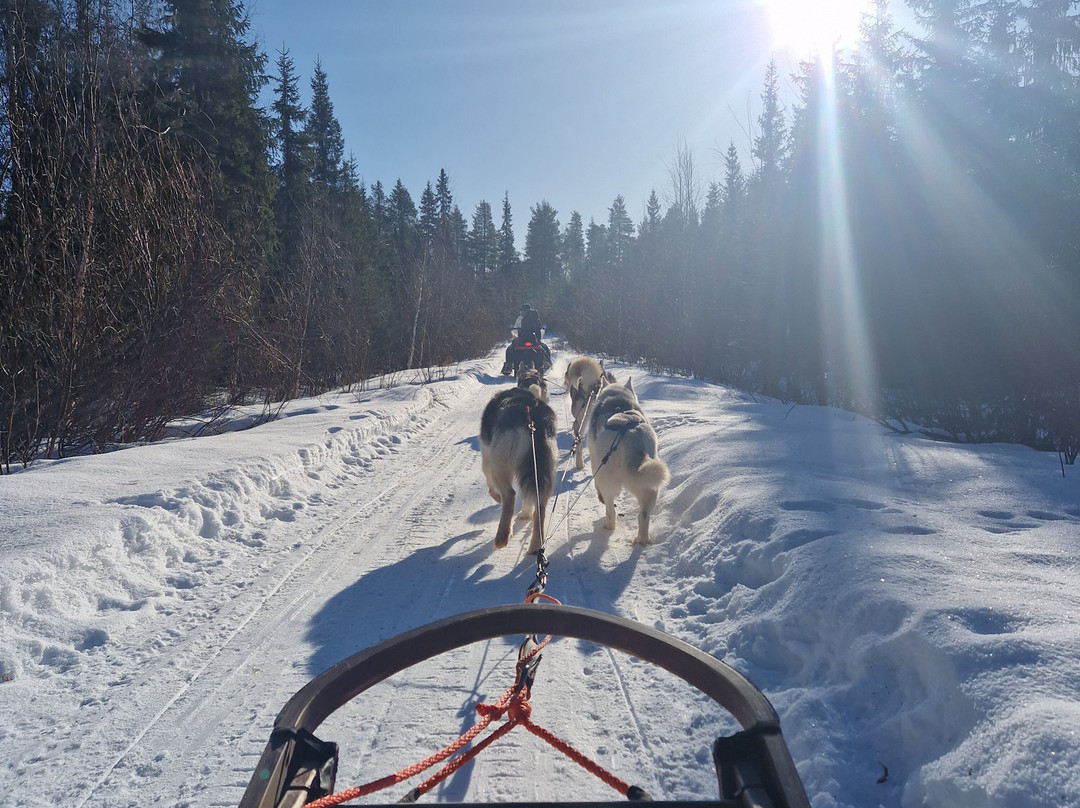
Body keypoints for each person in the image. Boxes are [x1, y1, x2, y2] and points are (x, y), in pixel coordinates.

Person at [500, 304, 549, 375]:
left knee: (510, 349)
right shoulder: (535, 318)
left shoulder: (520, 318)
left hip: (522, 340)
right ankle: (547, 364)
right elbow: (540, 328)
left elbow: (515, 328)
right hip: (533, 341)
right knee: (544, 348)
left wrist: (515, 334)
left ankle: (508, 366)